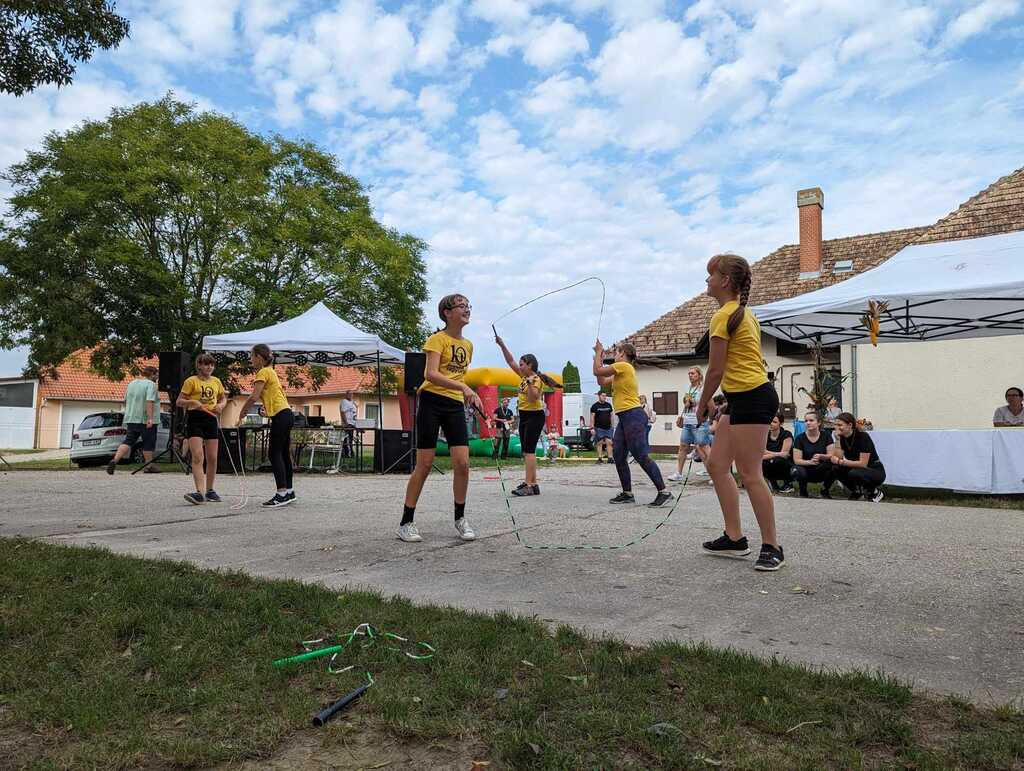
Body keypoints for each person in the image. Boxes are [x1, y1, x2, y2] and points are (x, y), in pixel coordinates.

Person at [696, 253, 784, 571]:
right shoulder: (741, 313)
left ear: (725, 281)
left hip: (753, 398)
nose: (706, 280)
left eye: (711, 275)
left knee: (750, 474)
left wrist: (703, 402)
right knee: (718, 465)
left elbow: (716, 370)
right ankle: (734, 538)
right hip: (740, 398)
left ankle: (773, 547)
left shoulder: (724, 316)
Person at [398, 294, 483, 542]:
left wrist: (467, 393)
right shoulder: (437, 339)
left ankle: (460, 518)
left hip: (454, 405)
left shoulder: (468, 345)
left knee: (463, 464)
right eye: (461, 306)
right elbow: (431, 374)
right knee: (424, 464)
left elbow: (459, 378)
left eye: (469, 305)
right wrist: (464, 388)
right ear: (447, 312)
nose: (467, 309)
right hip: (432, 402)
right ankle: (406, 522)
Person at [593, 340, 672, 507]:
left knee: (641, 455)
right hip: (625, 418)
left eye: (616, 353)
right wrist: (598, 355)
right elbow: (601, 381)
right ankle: (627, 493)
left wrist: (599, 352)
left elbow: (597, 370)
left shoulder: (625, 366)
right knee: (619, 455)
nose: (614, 355)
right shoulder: (620, 372)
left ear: (622, 354)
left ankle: (664, 492)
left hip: (634, 416)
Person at [494, 336, 559, 496]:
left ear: (529, 365)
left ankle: (529, 485)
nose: (520, 366)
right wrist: (502, 344)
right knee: (526, 451)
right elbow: (510, 362)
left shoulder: (535, 379)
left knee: (529, 451)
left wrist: (530, 383)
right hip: (524, 415)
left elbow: (533, 398)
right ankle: (533, 484)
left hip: (534, 416)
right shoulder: (524, 377)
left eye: (522, 364)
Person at [237, 344, 295, 507]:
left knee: (274, 454)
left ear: (259, 357)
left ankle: (281, 493)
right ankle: (289, 492)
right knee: (283, 454)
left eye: (252, 356)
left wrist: (242, 412)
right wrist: (267, 413)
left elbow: (254, 396)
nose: (251, 360)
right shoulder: (272, 372)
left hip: (281, 416)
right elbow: (274, 397)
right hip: (286, 414)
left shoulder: (263, 372)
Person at [176, 353, 227, 504]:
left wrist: (221, 405)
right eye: (205, 364)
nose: (209, 367)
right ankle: (200, 492)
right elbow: (179, 401)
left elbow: (223, 398)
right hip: (195, 419)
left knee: (212, 457)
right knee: (198, 456)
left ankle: (211, 490)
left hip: (211, 418)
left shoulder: (216, 381)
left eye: (211, 364)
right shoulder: (191, 381)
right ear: (199, 365)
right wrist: (192, 402)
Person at [107, 365, 162, 475]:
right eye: (156, 374)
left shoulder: (132, 383)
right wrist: (150, 418)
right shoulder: (151, 385)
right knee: (148, 443)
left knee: (128, 441)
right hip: (145, 419)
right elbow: (149, 401)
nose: (157, 377)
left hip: (131, 418)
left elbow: (126, 400)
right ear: (152, 374)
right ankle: (148, 466)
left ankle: (114, 460)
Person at [825, 412, 886, 502]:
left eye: (840, 425)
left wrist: (840, 462)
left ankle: (874, 491)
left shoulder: (863, 437)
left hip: (874, 470)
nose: (836, 428)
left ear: (849, 425)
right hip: (857, 468)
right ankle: (856, 491)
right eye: (835, 425)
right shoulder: (842, 437)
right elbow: (838, 457)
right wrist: (837, 440)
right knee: (835, 468)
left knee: (854, 472)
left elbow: (862, 464)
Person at [669, 366, 712, 482]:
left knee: (704, 448)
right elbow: (686, 402)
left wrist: (707, 419)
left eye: (692, 373)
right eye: (689, 374)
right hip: (688, 420)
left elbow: (710, 405)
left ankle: (715, 474)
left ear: (699, 375)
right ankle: (678, 473)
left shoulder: (704, 388)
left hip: (699, 422)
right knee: (683, 446)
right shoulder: (688, 387)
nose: (690, 375)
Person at [790, 411, 835, 498]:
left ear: (818, 422)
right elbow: (797, 460)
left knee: (834, 465)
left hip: (820, 467)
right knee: (797, 470)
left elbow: (831, 455)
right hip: (805, 467)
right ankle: (803, 490)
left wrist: (822, 456)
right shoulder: (800, 438)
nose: (808, 423)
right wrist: (810, 462)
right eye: (806, 421)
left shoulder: (826, 436)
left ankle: (824, 490)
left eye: (811, 420)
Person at [761, 413, 794, 493]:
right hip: (770, 462)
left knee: (778, 460)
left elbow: (785, 455)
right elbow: (760, 455)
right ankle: (773, 483)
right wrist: (776, 454)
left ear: (781, 423)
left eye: (774, 422)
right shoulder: (765, 434)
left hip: (784, 464)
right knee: (760, 462)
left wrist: (767, 453)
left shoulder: (786, 434)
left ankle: (787, 484)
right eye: (769, 421)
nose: (770, 424)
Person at [589, 391, 614, 463]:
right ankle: (600, 458)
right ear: (599, 396)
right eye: (603, 396)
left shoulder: (608, 405)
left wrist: (612, 426)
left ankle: (610, 458)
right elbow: (592, 417)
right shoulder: (595, 406)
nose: (604, 397)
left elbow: (611, 415)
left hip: (608, 427)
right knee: (599, 443)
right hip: (598, 427)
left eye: (605, 396)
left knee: (609, 442)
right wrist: (592, 428)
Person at [339, 390, 357, 457]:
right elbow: (342, 412)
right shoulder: (344, 402)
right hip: (347, 424)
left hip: (353, 423)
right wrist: (346, 423)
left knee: (350, 439)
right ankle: (347, 454)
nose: (351, 395)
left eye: (352, 394)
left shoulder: (352, 402)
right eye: (349, 394)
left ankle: (351, 453)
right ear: (346, 395)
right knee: (347, 440)